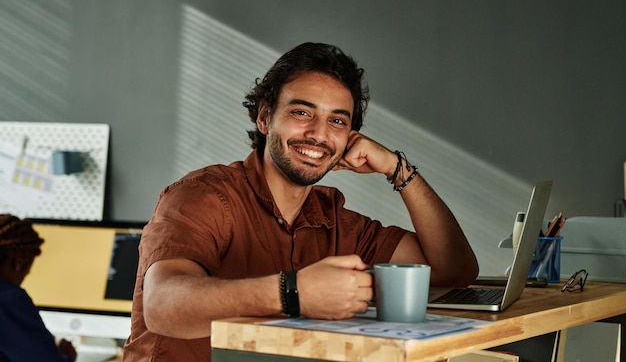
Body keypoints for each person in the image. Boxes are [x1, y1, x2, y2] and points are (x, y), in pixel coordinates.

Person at [123, 42, 478, 361]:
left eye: (337, 120)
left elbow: (454, 270)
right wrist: (291, 292)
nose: (319, 134)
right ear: (264, 118)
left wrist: (397, 169)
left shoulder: (336, 221)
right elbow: (162, 306)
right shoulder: (203, 195)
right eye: (302, 112)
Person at [0, 214, 77, 362]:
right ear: (18, 263)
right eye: (28, 267)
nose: (27, 273)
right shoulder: (9, 299)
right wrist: (66, 357)